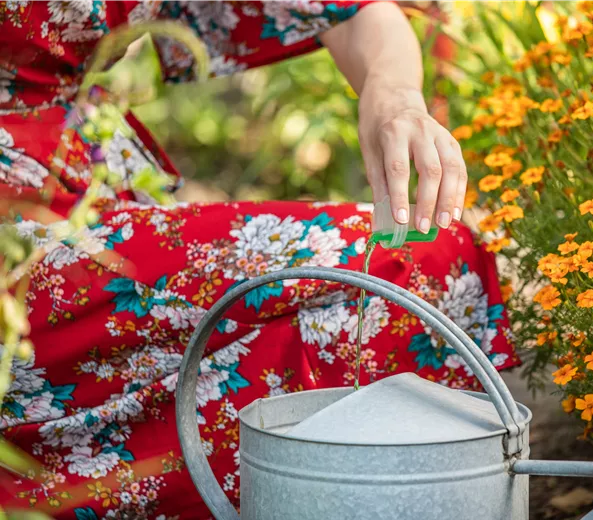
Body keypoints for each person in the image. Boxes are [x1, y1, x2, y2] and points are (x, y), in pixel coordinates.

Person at [0, 1, 519, 517]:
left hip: (88, 180)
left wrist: (394, 101)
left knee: (430, 260)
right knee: (396, 270)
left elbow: (351, 12)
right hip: (16, 237)